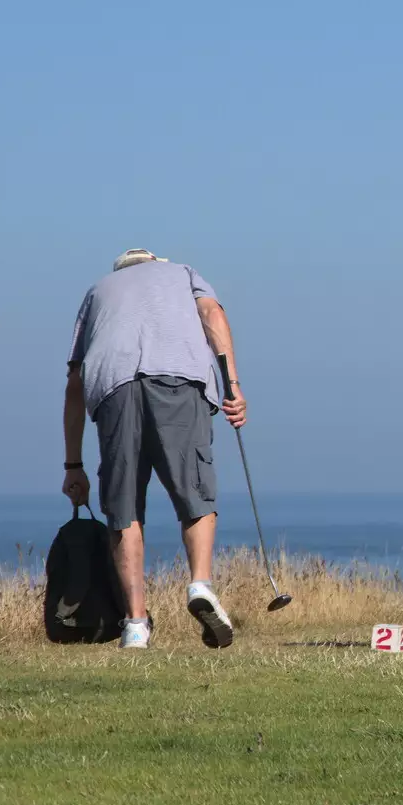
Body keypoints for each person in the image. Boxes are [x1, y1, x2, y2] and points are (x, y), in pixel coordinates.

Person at [61, 248, 247, 650]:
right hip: (179, 377)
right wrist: (232, 388)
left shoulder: (97, 292)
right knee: (194, 492)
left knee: (123, 507)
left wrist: (72, 464)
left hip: (113, 385)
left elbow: (75, 382)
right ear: (154, 263)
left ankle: (135, 625)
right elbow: (212, 314)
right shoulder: (183, 273)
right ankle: (199, 584)